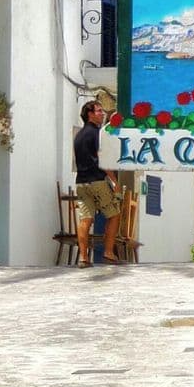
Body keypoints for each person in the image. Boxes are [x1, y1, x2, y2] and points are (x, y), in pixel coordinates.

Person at [73, 101, 122, 267]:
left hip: (81, 182)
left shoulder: (79, 135)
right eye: (99, 111)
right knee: (113, 215)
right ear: (90, 114)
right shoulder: (97, 134)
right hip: (97, 181)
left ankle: (83, 257)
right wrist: (114, 180)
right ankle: (108, 253)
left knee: (85, 219)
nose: (102, 114)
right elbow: (102, 159)